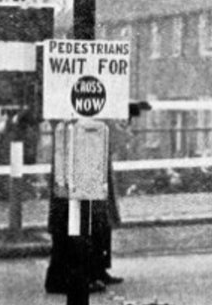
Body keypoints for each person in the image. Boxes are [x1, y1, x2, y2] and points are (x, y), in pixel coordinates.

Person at [44, 103, 151, 295]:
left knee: (93, 221)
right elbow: (117, 139)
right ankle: (67, 277)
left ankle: (94, 270)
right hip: (79, 167)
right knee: (76, 222)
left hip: (87, 166)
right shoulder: (87, 113)